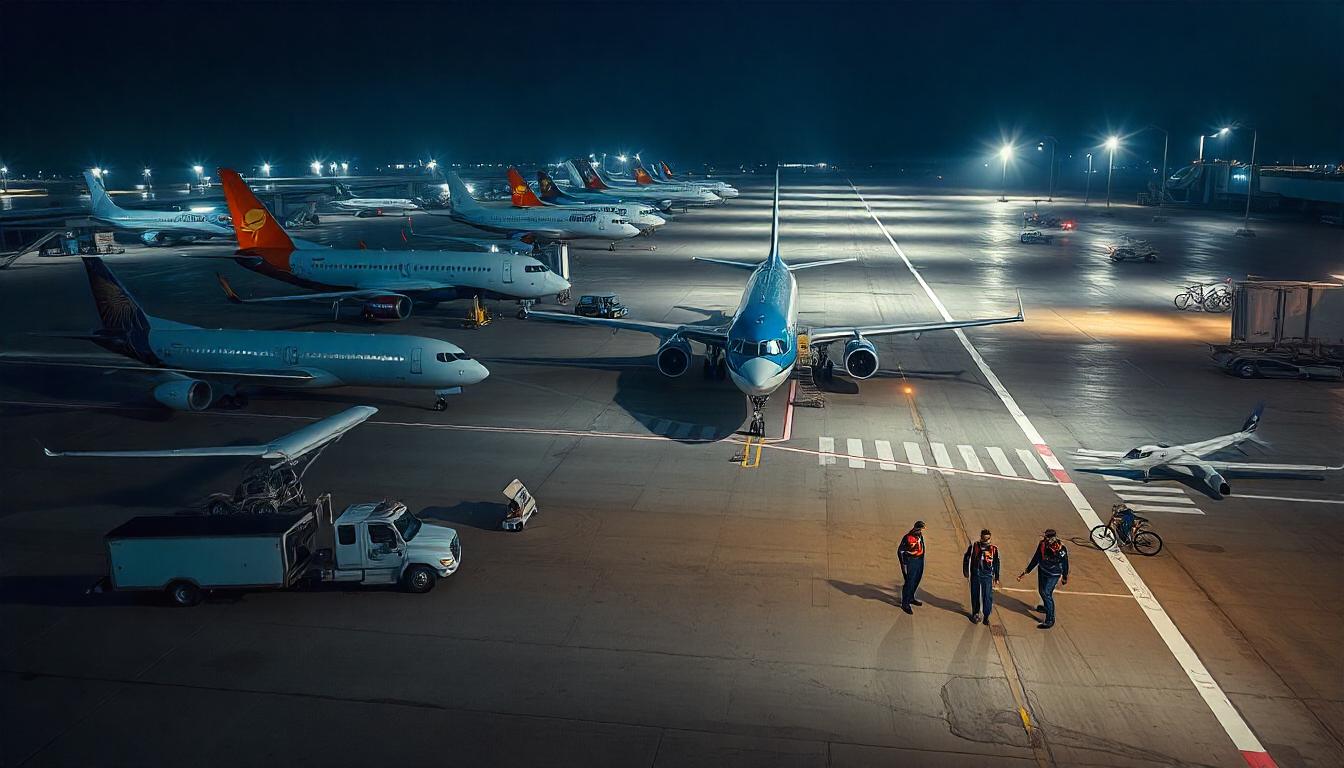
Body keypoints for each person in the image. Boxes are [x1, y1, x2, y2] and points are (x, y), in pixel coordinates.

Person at [1018, 529, 1069, 629]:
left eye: (1048, 538)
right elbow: (1036, 557)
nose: (1046, 539)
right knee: (1041, 591)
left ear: (1053, 538)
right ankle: (1046, 607)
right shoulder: (1042, 544)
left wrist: (1065, 576)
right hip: (1042, 570)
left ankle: (1050, 619)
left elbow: (1065, 564)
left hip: (1053, 574)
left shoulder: (1061, 550)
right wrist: (1027, 570)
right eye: (1045, 537)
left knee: (1046, 593)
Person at [962, 529, 1000, 625]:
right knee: (975, 594)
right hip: (976, 573)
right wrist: (966, 570)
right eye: (984, 538)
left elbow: (996, 563)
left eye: (988, 538)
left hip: (987, 575)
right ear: (981, 537)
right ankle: (975, 613)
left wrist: (997, 577)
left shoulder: (994, 549)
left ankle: (986, 616)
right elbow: (966, 557)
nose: (986, 540)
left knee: (987, 596)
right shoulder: (974, 546)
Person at [898, 520, 926, 614]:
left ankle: (911, 597)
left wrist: (922, 557)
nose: (921, 531)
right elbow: (900, 551)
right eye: (920, 529)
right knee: (909, 582)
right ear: (916, 529)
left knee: (917, 579)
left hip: (919, 560)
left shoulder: (920, 536)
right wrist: (904, 564)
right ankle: (905, 604)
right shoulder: (907, 538)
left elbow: (921, 546)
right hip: (911, 562)